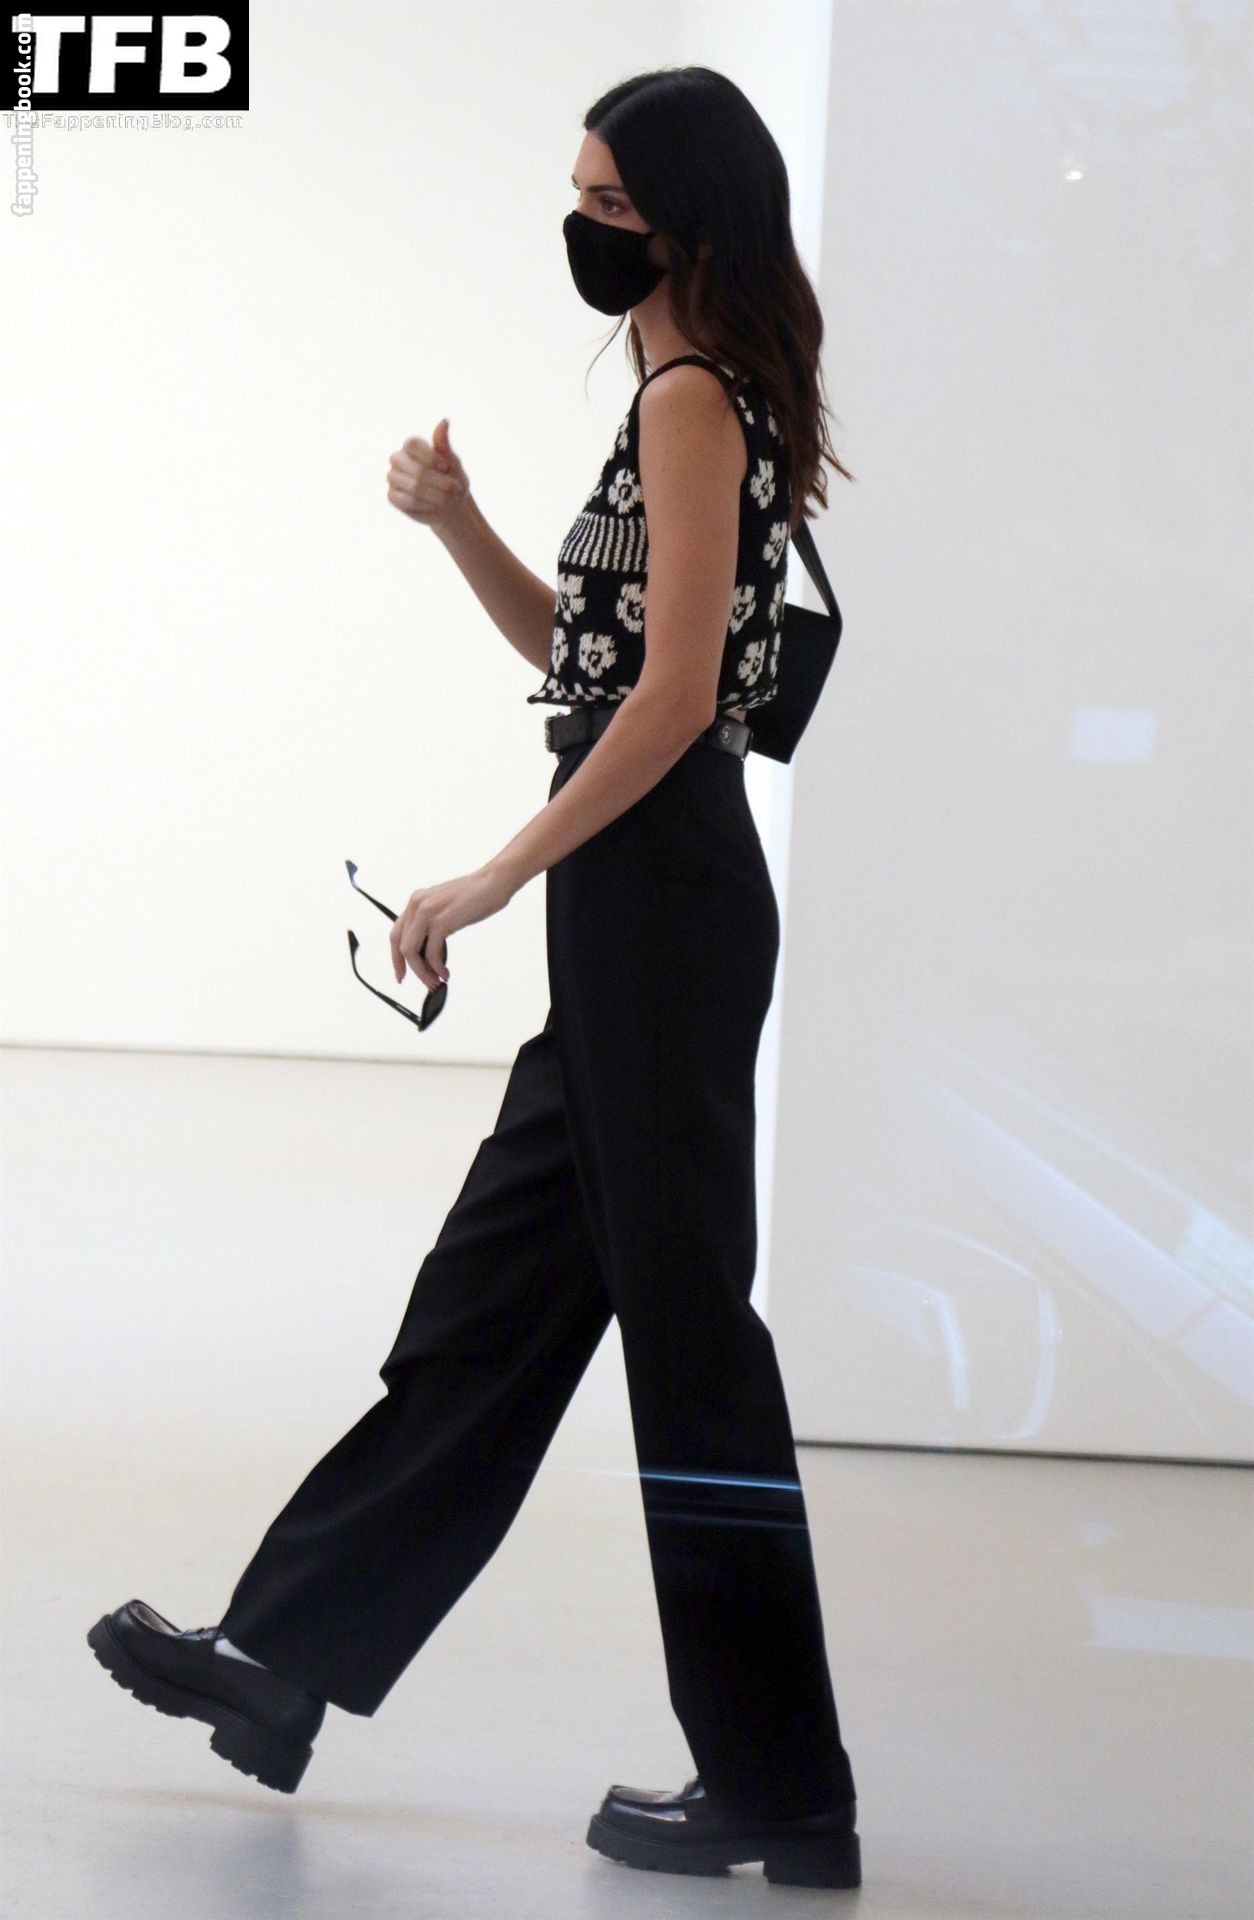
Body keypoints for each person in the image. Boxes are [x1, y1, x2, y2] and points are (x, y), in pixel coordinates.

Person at [87, 66, 861, 1892]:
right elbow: (588, 658)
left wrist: (498, 871)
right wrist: (456, 521)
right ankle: (281, 1657)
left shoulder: (691, 396)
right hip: (636, 900)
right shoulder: (679, 389)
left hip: (655, 896)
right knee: (496, 1301)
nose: (579, 228)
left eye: (609, 204)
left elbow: (674, 704)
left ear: (684, 220)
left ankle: (779, 1784)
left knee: (692, 1352)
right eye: (574, 195)